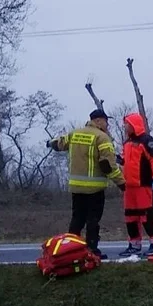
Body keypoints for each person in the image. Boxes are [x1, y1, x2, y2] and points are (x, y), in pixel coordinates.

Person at [48, 109, 125, 259]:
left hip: (76, 187)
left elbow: (58, 144)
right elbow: (107, 165)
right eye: (105, 121)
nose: (107, 125)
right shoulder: (102, 138)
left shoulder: (74, 133)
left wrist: (50, 144)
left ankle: (69, 250)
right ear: (98, 121)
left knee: (77, 219)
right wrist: (121, 183)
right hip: (94, 189)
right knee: (92, 220)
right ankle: (91, 250)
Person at [118, 111, 153, 258]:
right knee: (131, 217)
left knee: (148, 216)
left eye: (127, 124)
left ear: (134, 125)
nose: (125, 127)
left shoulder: (147, 141)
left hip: (144, 185)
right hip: (129, 187)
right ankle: (134, 245)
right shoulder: (127, 143)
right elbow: (123, 161)